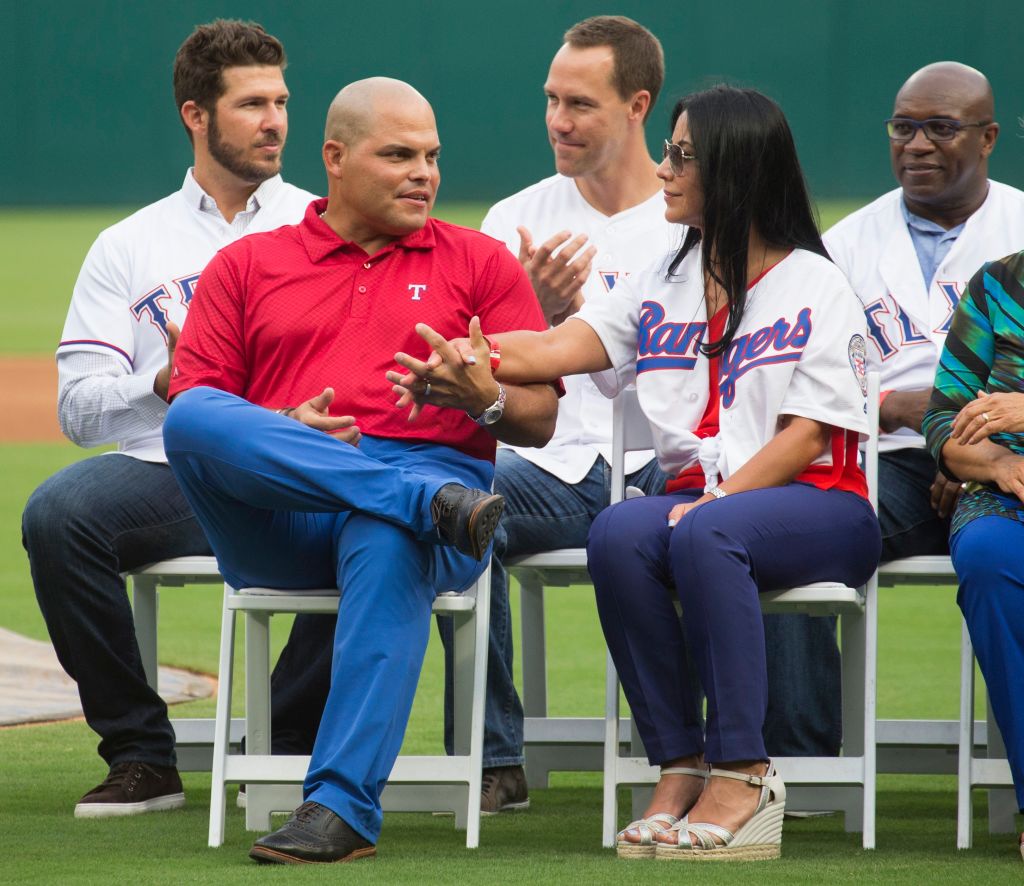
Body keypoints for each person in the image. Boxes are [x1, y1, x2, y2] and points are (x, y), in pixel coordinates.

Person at [395, 84, 880, 860]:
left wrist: (717, 499)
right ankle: (680, 762)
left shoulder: (816, 283)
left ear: (736, 170)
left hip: (821, 506)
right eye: (668, 152)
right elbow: (556, 348)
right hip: (707, 512)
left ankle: (745, 772)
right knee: (620, 529)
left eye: (682, 156)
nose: (663, 169)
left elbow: (806, 438)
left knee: (703, 530)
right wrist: (461, 357)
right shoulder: (663, 278)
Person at [162, 77, 557, 864]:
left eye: (432, 157)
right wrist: (281, 428)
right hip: (291, 512)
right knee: (191, 414)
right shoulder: (245, 264)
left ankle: (338, 810)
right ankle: (413, 497)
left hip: (421, 515)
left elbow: (539, 419)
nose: (424, 173)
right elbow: (199, 409)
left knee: (387, 533)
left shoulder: (478, 263)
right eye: (399, 155)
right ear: (335, 158)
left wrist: (482, 400)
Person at [20, 19, 321, 818]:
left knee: (385, 521)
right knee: (56, 516)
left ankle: (282, 744)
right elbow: (80, 410)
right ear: (197, 115)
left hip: (300, 464)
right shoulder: (130, 244)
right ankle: (141, 754)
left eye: (282, 101)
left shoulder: (319, 225)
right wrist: (163, 379)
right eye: (252, 102)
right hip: (171, 470)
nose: (275, 121)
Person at [436, 14, 674, 813]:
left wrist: (577, 332)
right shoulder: (513, 218)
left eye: (581, 104)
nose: (558, 121)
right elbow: (473, 363)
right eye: (550, 99)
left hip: (664, 465)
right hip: (543, 463)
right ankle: (491, 754)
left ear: (638, 105)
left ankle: (738, 752)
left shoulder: (688, 214)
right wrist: (535, 317)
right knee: (453, 503)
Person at [820, 61, 1024, 755]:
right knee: (793, 537)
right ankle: (800, 758)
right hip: (885, 463)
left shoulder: (1018, 228)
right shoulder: (845, 244)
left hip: (1007, 462)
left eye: (941, 128)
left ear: (988, 136)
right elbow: (810, 382)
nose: (917, 144)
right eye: (903, 128)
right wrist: (902, 411)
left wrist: (963, 448)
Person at [923, 249, 1024, 862]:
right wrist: (998, 463)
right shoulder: (998, 285)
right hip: (1004, 501)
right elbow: (942, 420)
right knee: (988, 560)